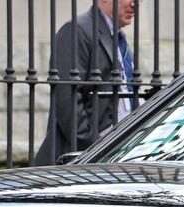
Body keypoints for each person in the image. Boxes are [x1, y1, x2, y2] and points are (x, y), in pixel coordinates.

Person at [34, 0, 138, 166]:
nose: (135, 4)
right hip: (85, 157)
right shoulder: (77, 30)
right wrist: (95, 147)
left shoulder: (118, 39)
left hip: (115, 153)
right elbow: (67, 99)